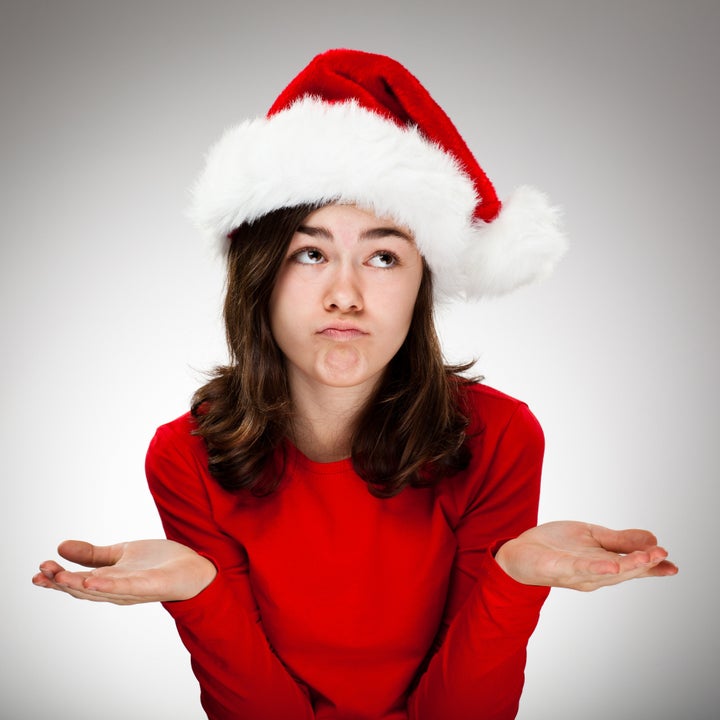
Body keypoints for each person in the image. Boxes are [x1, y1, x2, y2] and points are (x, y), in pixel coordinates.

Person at [32, 49, 677, 720]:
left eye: (383, 256)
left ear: (421, 284)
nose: (345, 295)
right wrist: (200, 593)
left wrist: (513, 579)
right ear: (260, 278)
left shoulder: (500, 437)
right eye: (310, 253)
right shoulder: (185, 457)